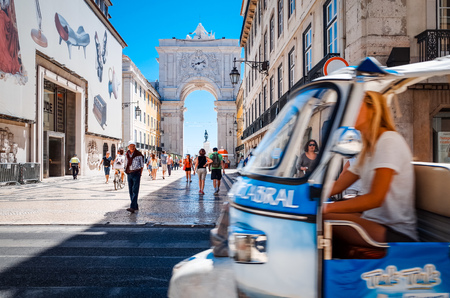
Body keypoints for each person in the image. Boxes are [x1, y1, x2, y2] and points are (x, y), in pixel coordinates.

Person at [324, 91, 417, 246]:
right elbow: (339, 186)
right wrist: (308, 191)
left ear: (372, 108)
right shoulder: (368, 148)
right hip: (373, 221)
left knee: (321, 215)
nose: (349, 111)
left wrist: (326, 207)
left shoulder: (388, 141)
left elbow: (375, 199)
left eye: (356, 106)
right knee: (317, 213)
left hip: (395, 232)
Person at [124, 141, 144, 213]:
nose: (132, 148)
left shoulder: (139, 154)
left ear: (135, 147)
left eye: (133, 146)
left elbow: (142, 165)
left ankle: (132, 207)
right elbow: (125, 163)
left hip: (136, 173)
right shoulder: (126, 154)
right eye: (130, 146)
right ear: (128, 147)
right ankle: (135, 206)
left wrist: (140, 174)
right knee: (130, 191)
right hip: (129, 173)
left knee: (135, 190)